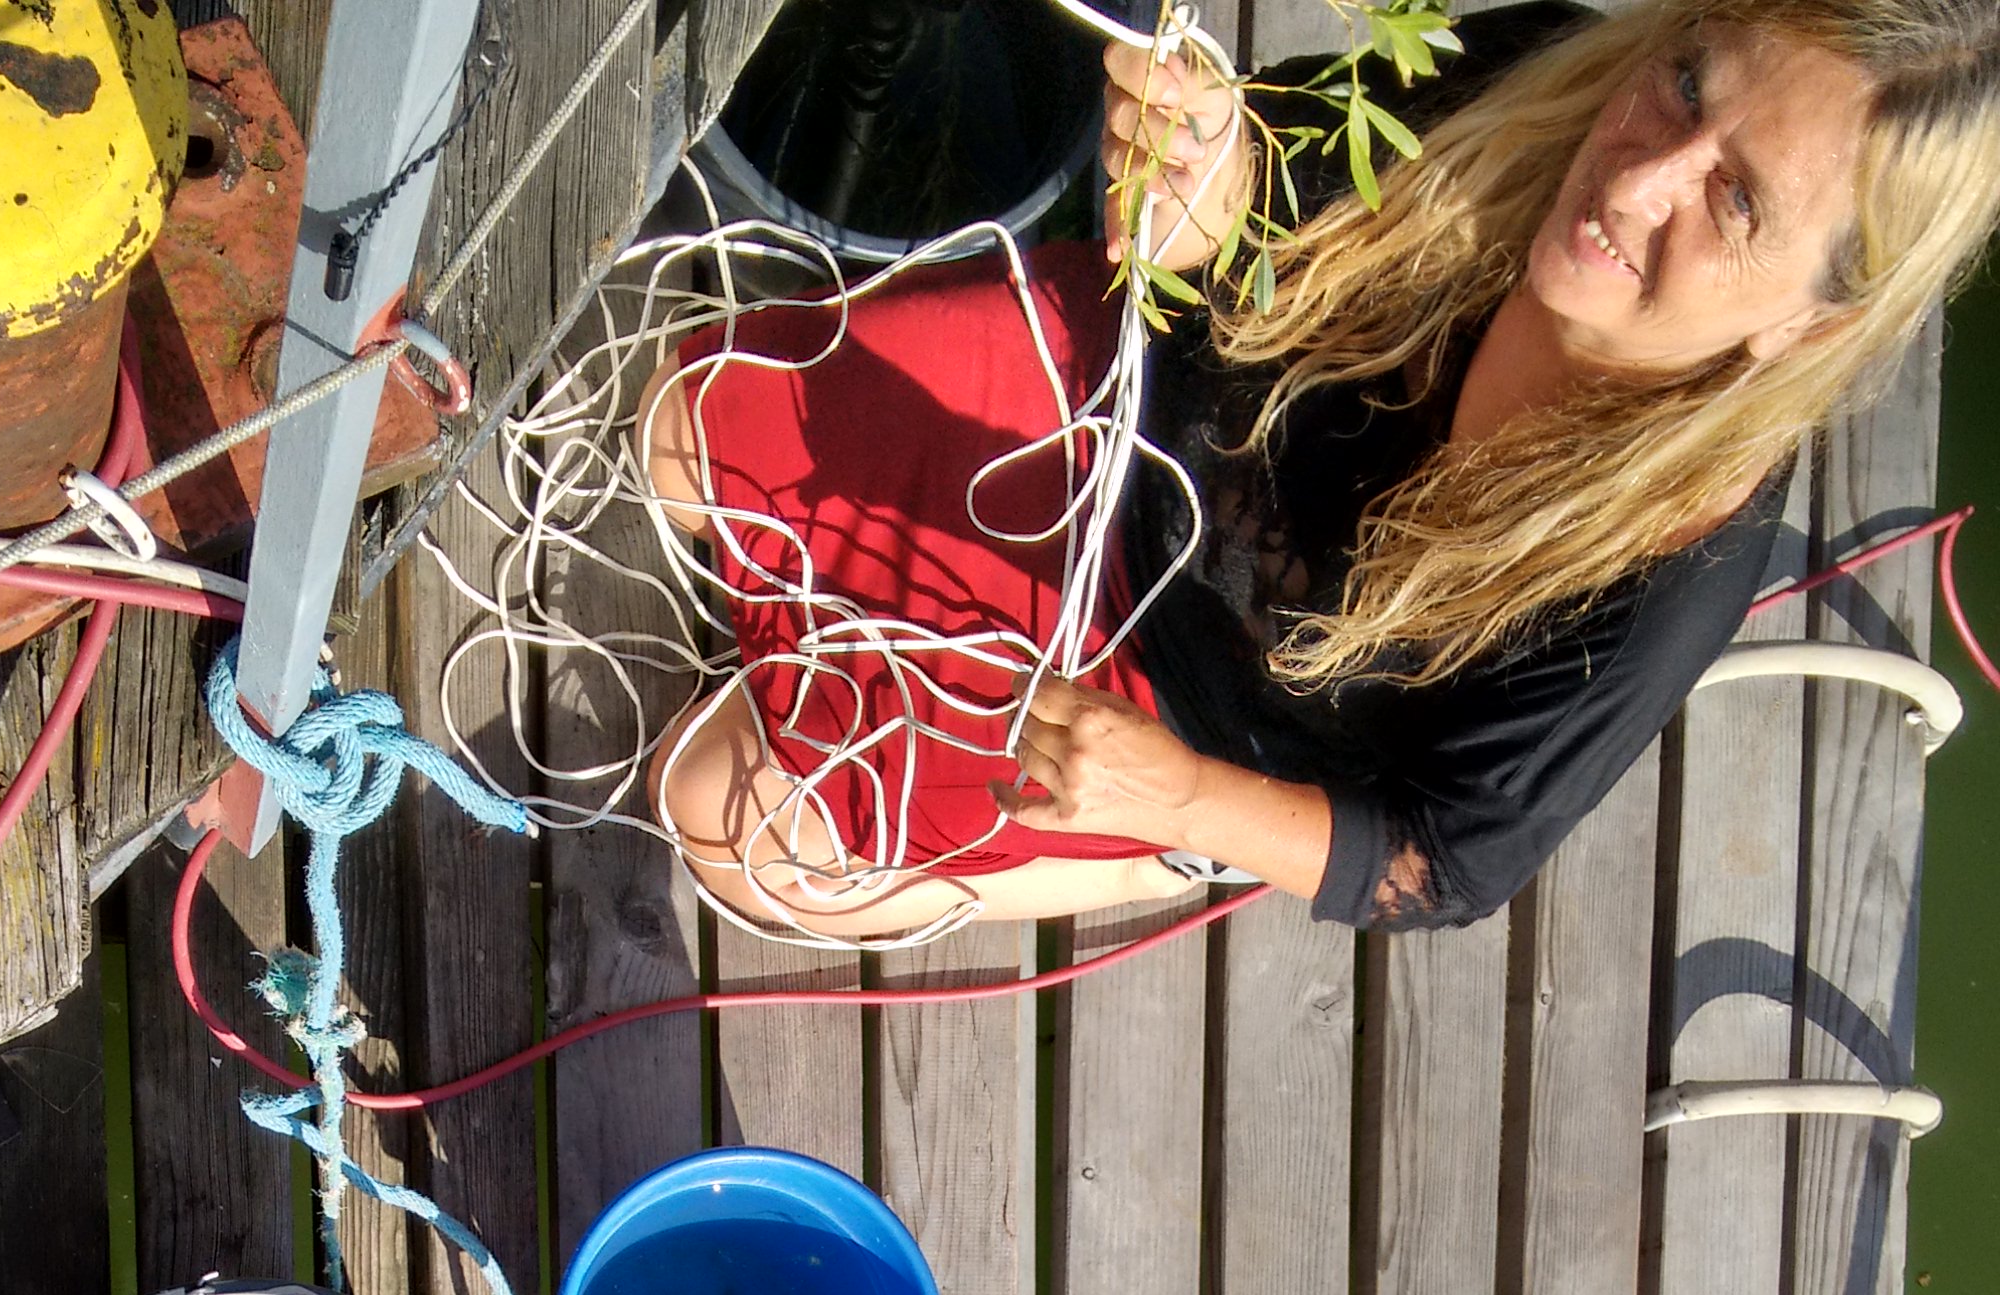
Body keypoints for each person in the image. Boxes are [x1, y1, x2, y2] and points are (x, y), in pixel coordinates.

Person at [637, 0, 2000, 936]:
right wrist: (1205, 183)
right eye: (1688, 83)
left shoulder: (1675, 558)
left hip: (1180, 709)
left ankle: (1149, 857)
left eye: (1738, 200)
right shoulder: (1539, 72)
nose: (1637, 179)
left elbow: (1441, 864)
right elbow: (1257, 192)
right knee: (678, 428)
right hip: (1111, 396)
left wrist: (1175, 791)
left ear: (1812, 318)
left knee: (725, 823)